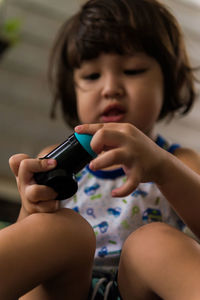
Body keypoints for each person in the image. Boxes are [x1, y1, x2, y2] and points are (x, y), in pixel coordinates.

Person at [5, 0, 200, 299]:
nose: (110, 87)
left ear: (169, 80)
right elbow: (29, 252)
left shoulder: (178, 161)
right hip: (63, 289)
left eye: (133, 70)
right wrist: (32, 207)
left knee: (151, 243)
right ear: (73, 89)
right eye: (92, 76)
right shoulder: (54, 157)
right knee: (59, 231)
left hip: (136, 290)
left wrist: (162, 168)